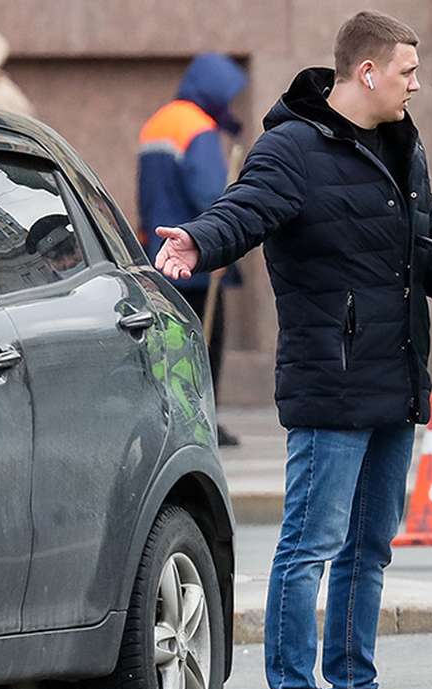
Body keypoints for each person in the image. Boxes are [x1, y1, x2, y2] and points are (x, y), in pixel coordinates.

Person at [154, 11, 432, 689]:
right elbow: (243, 211)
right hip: (331, 385)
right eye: (407, 70)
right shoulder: (292, 147)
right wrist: (197, 243)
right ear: (366, 72)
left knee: (369, 548)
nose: (416, 82)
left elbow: (420, 252)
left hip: (395, 377)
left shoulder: (405, 145)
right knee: (309, 545)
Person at [138, 53, 249, 446]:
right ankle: (204, 420)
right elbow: (209, 193)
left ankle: (175, 417)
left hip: (161, 249)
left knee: (172, 341)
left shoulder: (159, 122)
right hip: (196, 255)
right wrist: (222, 241)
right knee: (205, 340)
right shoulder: (197, 128)